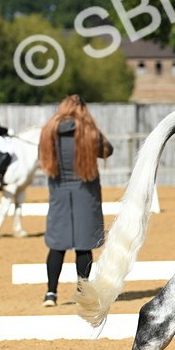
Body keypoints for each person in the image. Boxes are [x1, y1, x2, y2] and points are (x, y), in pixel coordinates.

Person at [37, 95, 113, 307]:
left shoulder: (48, 133)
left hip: (59, 193)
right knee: (83, 246)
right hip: (85, 193)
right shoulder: (89, 133)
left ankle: (50, 293)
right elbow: (108, 150)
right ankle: (82, 292)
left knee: (57, 245)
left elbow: (41, 157)